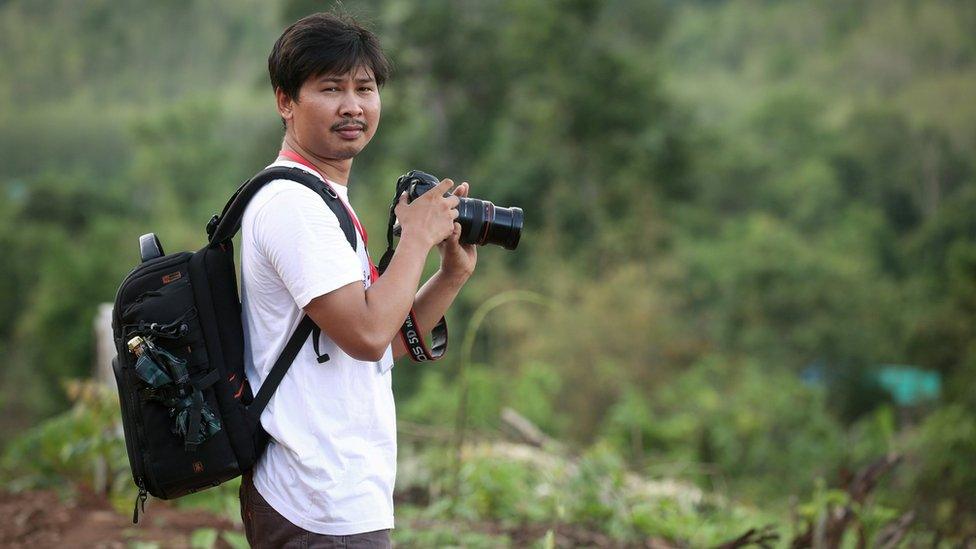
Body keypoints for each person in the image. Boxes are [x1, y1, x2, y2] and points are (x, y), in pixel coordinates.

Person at [238, 12, 477, 548]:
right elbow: (367, 338)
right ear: (285, 100)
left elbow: (385, 341)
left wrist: (450, 275)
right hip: (314, 501)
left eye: (364, 88)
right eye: (330, 88)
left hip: (339, 495)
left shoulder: (324, 201)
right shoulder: (294, 206)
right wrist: (415, 238)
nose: (353, 106)